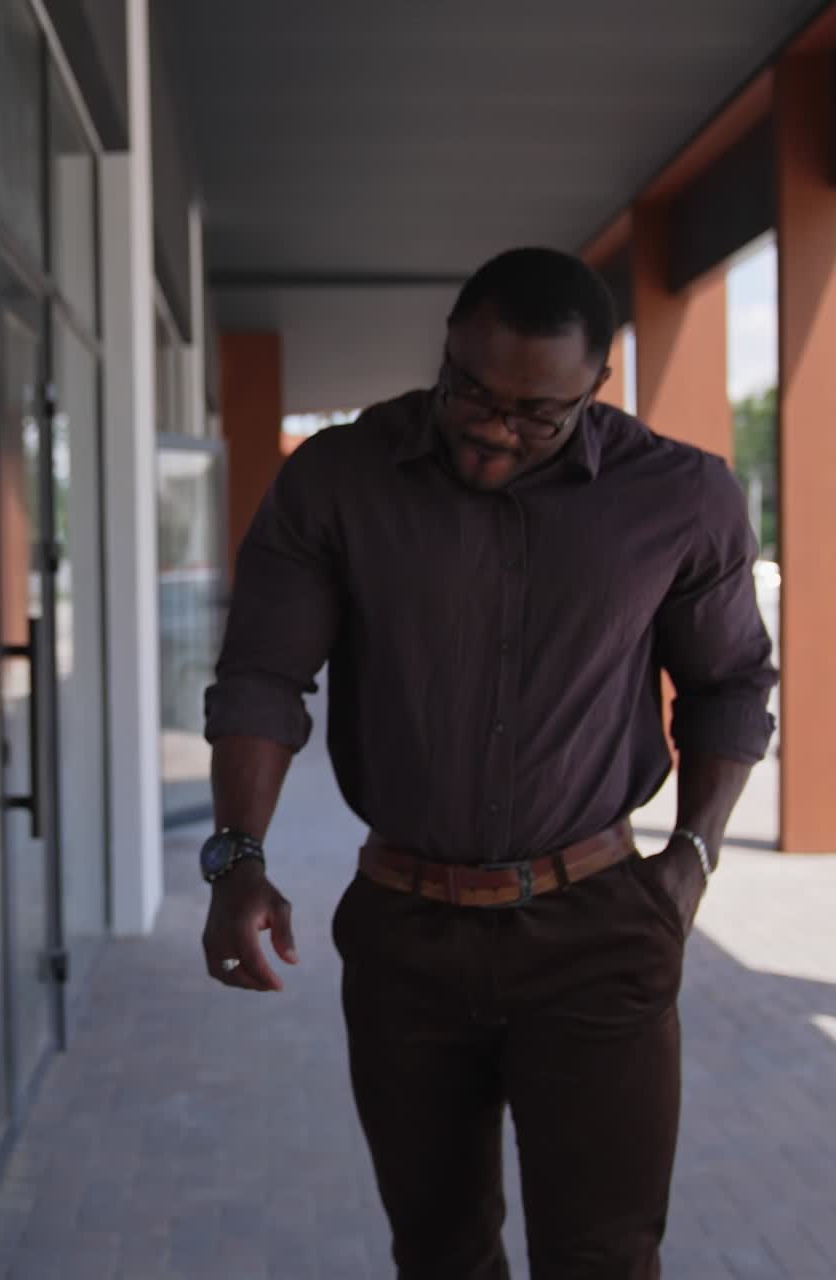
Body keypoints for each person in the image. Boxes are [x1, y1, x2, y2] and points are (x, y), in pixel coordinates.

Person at [198, 247, 777, 1280]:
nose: (490, 425)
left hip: (596, 927)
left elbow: (730, 684)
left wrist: (689, 857)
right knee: (437, 1252)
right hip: (404, 933)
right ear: (445, 350)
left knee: (600, 1256)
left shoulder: (677, 497)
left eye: (533, 411)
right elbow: (259, 677)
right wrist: (238, 855)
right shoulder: (338, 479)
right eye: (467, 387)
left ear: (594, 387)